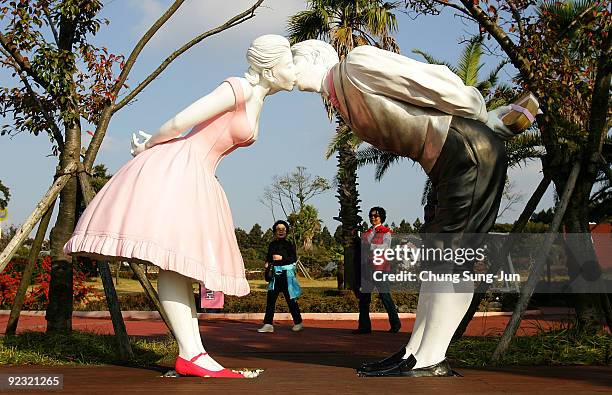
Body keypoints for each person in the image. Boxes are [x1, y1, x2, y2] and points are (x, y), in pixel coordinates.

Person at [290, 40, 539, 377]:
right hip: (448, 161)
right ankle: (415, 352)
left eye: (294, 60)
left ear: (317, 57)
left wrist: (481, 111)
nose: (289, 72)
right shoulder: (341, 95)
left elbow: (430, 80)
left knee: (453, 259)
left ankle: (432, 357)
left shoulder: (356, 65)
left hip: (467, 153)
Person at [63, 34, 297, 378]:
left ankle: (194, 353)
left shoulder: (258, 97)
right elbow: (179, 122)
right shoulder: (237, 88)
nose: (292, 70)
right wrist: (147, 147)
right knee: (173, 263)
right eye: (288, 62)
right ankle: (191, 354)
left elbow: (297, 79)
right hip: (180, 165)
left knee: (181, 267)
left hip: (200, 174)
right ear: (269, 66)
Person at [353, 207, 401, 334]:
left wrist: (370, 246)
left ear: (382, 218)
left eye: (376, 216)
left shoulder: (386, 232)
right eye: (371, 215)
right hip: (367, 269)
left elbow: (385, 247)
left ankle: (396, 324)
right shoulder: (366, 233)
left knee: (385, 297)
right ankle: (364, 327)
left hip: (380, 269)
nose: (373, 218)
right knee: (364, 299)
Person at [258, 220, 303, 333]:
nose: (281, 231)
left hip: (287, 276)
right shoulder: (272, 244)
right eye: (278, 229)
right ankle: (268, 324)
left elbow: (293, 259)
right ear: (275, 231)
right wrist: (267, 263)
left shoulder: (289, 244)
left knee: (291, 300)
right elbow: (269, 257)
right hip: (274, 276)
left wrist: (281, 259)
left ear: (286, 231)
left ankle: (298, 322)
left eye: (283, 229)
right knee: (270, 300)